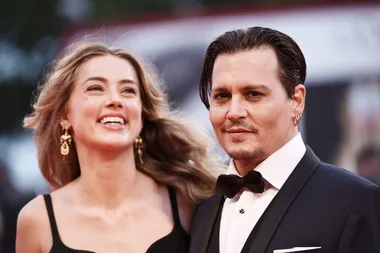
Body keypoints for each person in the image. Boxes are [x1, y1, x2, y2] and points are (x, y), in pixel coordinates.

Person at [16, 41, 222, 253]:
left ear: (141, 115)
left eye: (128, 91)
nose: (115, 100)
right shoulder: (37, 220)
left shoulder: (187, 202)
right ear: (64, 115)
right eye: (96, 88)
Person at [190, 26, 380, 253]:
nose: (234, 112)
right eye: (222, 96)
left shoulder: (356, 201)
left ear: (296, 101)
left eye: (253, 94)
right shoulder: (202, 212)